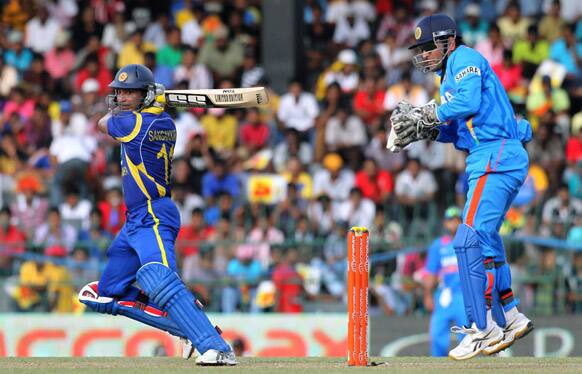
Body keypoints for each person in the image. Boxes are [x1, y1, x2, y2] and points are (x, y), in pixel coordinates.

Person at [388, 14, 533, 360]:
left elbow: (465, 104)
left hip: (494, 156)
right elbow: (462, 129)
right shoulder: (448, 75)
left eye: (427, 47)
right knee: (486, 240)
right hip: (491, 155)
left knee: (467, 239)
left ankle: (482, 328)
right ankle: (509, 316)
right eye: (419, 50)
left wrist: (428, 113)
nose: (422, 55)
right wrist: (428, 129)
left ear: (447, 40)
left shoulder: (464, 58)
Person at [77, 64, 236, 365]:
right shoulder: (161, 121)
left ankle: (216, 347)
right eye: (119, 91)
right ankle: (187, 326)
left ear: (146, 94)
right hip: (134, 219)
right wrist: (150, 103)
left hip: (153, 213)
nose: (121, 97)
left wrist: (148, 104)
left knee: (157, 277)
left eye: (129, 92)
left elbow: (101, 123)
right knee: (102, 294)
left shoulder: (135, 124)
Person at [423, 207, 466, 357]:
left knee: (467, 336)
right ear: (445, 223)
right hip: (444, 295)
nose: (453, 222)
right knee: (437, 334)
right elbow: (431, 272)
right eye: (450, 219)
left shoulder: (469, 243)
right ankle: (438, 366)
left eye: (457, 219)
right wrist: (428, 295)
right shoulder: (438, 245)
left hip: (465, 295)